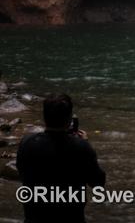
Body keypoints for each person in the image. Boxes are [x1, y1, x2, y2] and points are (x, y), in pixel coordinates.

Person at [17, 94, 106, 223]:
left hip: (34, 218)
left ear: (44, 116)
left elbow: (22, 173)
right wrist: (87, 146)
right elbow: (98, 183)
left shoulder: (27, 143)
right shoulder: (81, 147)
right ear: (69, 119)